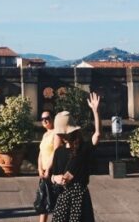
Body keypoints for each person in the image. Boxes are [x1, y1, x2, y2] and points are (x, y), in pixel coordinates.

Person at [49, 93, 101, 222]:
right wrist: (56, 178)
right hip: (63, 196)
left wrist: (95, 111)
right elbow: (52, 175)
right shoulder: (59, 152)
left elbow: (97, 135)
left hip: (80, 197)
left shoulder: (82, 149)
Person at [36, 110, 57, 222]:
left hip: (52, 170)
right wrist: (39, 169)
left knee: (53, 201)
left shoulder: (56, 133)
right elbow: (41, 153)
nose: (44, 120)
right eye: (42, 118)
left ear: (52, 119)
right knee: (43, 201)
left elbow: (55, 152)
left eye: (47, 118)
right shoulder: (45, 134)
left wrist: (48, 169)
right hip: (43, 171)